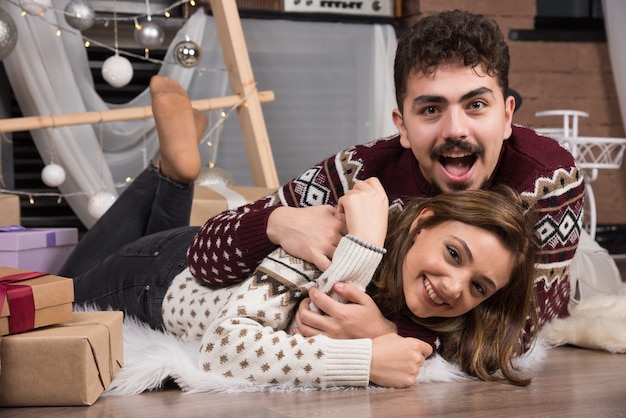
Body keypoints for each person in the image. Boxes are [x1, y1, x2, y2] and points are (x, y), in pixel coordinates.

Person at [61, 76, 538, 388]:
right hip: (163, 276)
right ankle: (175, 173)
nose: (455, 287)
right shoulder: (329, 238)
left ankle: (172, 171)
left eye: (479, 286)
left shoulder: (444, 312)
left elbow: (437, 342)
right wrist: (364, 358)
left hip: (185, 260)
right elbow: (224, 350)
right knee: (60, 293)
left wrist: (385, 333)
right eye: (454, 254)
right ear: (422, 224)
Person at [185, 10, 584, 349]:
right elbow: (203, 256)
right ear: (402, 127)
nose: (455, 129)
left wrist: (386, 333)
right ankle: (173, 174)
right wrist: (277, 223)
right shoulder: (358, 170)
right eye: (430, 109)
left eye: (476, 104)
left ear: (507, 114)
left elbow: (516, 338)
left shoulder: (550, 182)